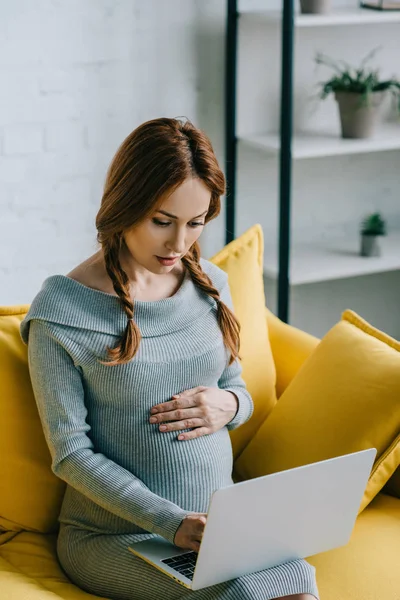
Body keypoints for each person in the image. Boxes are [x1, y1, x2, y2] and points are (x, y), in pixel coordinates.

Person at [20, 117, 319, 600]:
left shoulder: (210, 286)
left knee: (299, 582)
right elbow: (71, 454)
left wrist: (230, 406)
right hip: (116, 536)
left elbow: (236, 387)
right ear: (126, 205)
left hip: (219, 529)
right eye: (163, 221)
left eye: (196, 223)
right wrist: (172, 522)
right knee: (238, 593)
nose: (179, 244)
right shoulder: (62, 314)